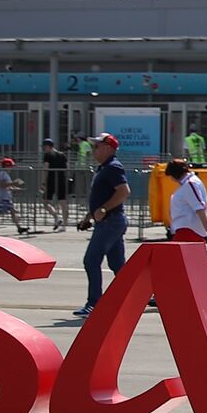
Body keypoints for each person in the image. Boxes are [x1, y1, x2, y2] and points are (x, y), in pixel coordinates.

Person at [74, 133, 130, 318]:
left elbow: (123, 191)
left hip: (110, 222)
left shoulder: (113, 167)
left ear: (108, 148)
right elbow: (101, 198)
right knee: (117, 265)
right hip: (108, 221)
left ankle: (94, 303)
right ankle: (142, 296)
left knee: (91, 260)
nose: (93, 150)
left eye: (97, 146)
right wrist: (89, 216)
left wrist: (104, 209)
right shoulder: (104, 168)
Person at [165, 159, 207, 300]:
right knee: (199, 262)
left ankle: (165, 293)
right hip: (187, 228)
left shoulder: (190, 184)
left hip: (188, 229)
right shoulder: (189, 183)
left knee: (172, 262)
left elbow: (199, 207)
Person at [0, 158, 29, 236]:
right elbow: (3, 185)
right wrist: (14, 183)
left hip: (6, 197)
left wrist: (15, 188)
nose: (12, 168)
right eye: (11, 166)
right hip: (3, 197)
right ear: (7, 166)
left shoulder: (6, 174)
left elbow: (7, 186)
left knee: (12, 212)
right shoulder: (3, 173)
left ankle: (19, 227)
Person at [40, 138, 71, 231]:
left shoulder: (48, 156)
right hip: (62, 180)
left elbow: (45, 169)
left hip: (51, 181)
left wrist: (43, 182)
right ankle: (64, 225)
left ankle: (57, 217)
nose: (43, 149)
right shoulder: (62, 155)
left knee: (46, 202)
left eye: (44, 147)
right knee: (63, 203)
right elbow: (67, 167)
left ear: (48, 146)